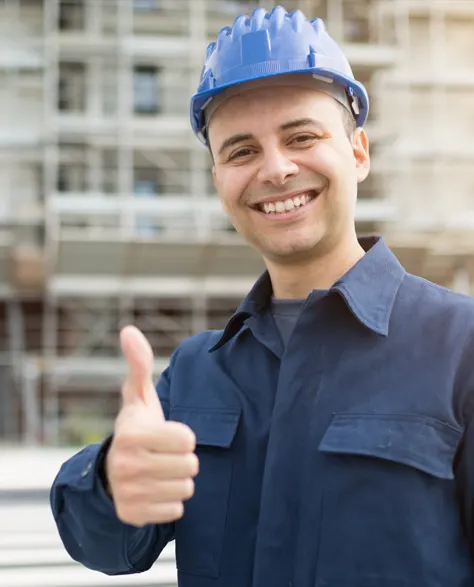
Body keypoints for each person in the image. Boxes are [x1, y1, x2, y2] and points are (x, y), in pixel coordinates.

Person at [50, 5, 474, 587]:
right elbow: (105, 545)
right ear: (220, 181)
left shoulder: (461, 347)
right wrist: (110, 484)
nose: (275, 169)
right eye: (241, 151)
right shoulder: (198, 373)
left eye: (302, 137)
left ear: (358, 153)